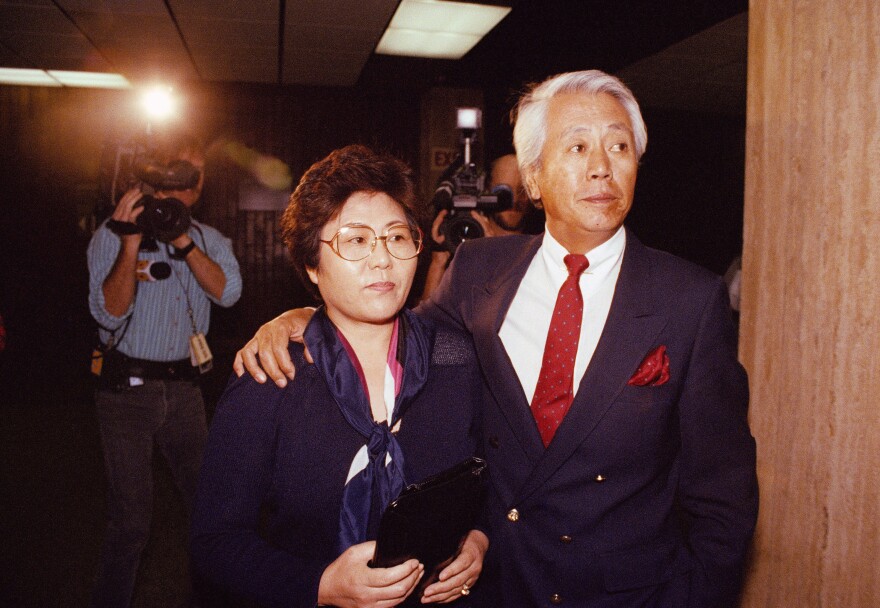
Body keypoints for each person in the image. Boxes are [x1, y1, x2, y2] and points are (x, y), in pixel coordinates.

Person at [233, 70, 758, 607]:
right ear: (533, 179)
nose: (602, 167)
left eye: (619, 146)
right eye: (577, 146)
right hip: (496, 585)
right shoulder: (480, 271)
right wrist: (305, 314)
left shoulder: (690, 300)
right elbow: (397, 329)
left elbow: (722, 501)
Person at [190, 145, 488, 607]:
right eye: (355, 240)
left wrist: (478, 539)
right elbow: (215, 541)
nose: (382, 259)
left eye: (397, 237)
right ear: (312, 263)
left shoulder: (456, 361)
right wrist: (320, 586)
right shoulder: (272, 376)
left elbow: (494, 479)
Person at [87, 132, 242, 607]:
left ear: (198, 188)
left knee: (205, 505)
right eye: (169, 175)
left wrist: (182, 242)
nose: (178, 189)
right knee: (131, 520)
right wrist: (130, 242)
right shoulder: (110, 236)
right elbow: (108, 314)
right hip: (125, 394)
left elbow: (228, 293)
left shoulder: (209, 241)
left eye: (188, 179)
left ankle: (210, 597)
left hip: (185, 395)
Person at [421, 154, 543, 301]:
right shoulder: (463, 247)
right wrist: (438, 262)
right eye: (504, 193)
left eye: (522, 190)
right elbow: (424, 321)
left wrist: (491, 254)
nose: (514, 200)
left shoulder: (542, 252)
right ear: (486, 192)